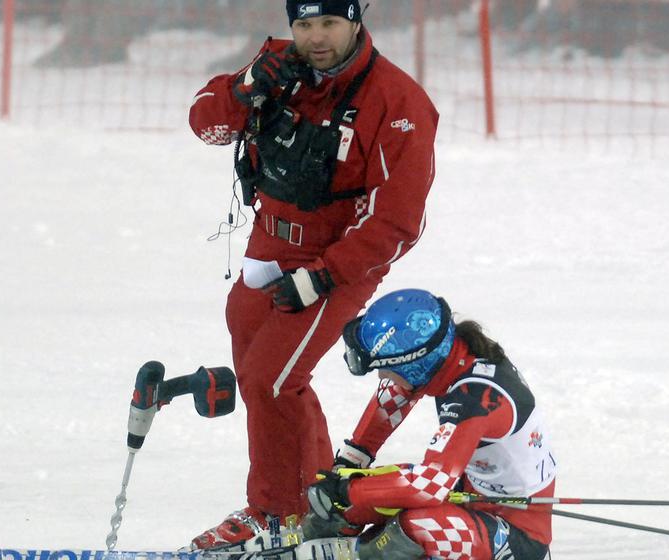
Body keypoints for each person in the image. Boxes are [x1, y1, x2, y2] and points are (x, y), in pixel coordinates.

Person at [187, 0, 439, 550]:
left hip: (338, 258)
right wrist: (244, 87)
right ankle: (322, 507)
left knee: (270, 379)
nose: (315, 37)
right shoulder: (276, 67)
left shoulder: (399, 102)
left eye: (329, 23)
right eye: (303, 24)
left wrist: (324, 277)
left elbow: (398, 221)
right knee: (271, 382)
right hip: (266, 244)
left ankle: (274, 516)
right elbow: (205, 126)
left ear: (356, 21)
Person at [301, 288, 557, 560]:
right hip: (472, 497)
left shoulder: (475, 400)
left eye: (386, 369)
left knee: (415, 526)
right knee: (377, 493)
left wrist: (348, 489)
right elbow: (395, 397)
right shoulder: (452, 356)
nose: (382, 376)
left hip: (518, 536)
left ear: (416, 365)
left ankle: (356, 554)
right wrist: (351, 464)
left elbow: (430, 485)